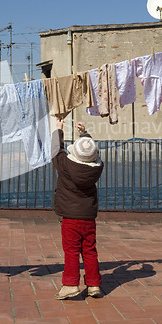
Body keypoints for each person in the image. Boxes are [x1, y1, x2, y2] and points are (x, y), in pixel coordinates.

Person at [52, 118, 104, 300]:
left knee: (72, 251)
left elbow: (56, 151)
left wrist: (59, 129)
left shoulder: (65, 165)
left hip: (70, 217)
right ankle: (94, 284)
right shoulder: (96, 168)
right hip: (88, 216)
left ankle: (70, 284)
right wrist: (85, 134)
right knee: (90, 250)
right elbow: (91, 153)